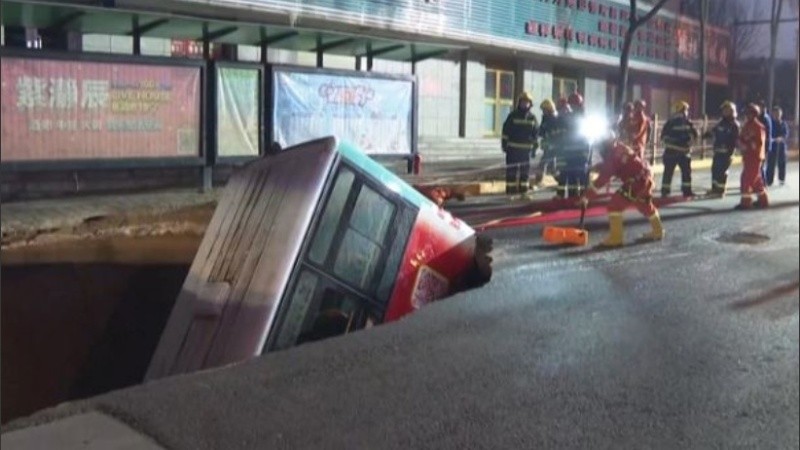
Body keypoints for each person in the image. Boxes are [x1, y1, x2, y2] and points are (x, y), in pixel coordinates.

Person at [581, 132, 664, 247]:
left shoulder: (613, 155)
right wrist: (597, 167)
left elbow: (602, 179)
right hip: (645, 179)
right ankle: (658, 231)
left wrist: (586, 196)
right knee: (644, 205)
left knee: (614, 206)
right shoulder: (620, 148)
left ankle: (616, 238)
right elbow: (614, 165)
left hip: (636, 183)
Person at [501, 91, 539, 197]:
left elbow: (536, 134)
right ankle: (511, 193)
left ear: (530, 104)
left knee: (524, 173)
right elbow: (505, 131)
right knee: (511, 172)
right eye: (523, 102)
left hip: (525, 151)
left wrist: (534, 149)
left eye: (527, 102)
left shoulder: (532, 118)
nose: (525, 104)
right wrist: (504, 144)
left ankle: (524, 192)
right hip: (513, 150)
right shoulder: (512, 116)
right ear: (519, 102)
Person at [659, 101, 698, 197]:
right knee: (684, 173)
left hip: (675, 152)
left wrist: (689, 144)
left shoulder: (671, 122)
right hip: (677, 152)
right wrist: (686, 144)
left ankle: (666, 191)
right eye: (685, 110)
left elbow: (694, 135)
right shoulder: (684, 122)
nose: (686, 112)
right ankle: (686, 191)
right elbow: (694, 136)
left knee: (671, 173)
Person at [736, 103, 769, 210]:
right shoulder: (747, 125)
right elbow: (741, 137)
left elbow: (759, 143)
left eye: (749, 113)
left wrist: (748, 145)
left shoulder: (759, 127)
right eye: (746, 113)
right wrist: (741, 143)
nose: (747, 115)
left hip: (755, 157)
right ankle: (763, 200)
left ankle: (746, 202)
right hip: (748, 156)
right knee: (757, 180)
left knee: (746, 179)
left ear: (755, 114)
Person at [702, 101, 740, 196]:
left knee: (722, 172)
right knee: (715, 170)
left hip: (727, 153)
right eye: (723, 110)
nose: (724, 112)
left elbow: (736, 139)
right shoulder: (721, 123)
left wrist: (730, 148)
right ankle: (714, 189)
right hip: (718, 151)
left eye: (726, 110)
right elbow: (714, 131)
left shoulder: (734, 125)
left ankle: (720, 190)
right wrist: (706, 135)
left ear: (731, 111)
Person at [533, 98, 559, 185]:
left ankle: (538, 181)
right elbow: (541, 131)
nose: (543, 112)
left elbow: (554, 133)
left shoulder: (554, 119)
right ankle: (561, 181)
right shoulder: (546, 118)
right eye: (543, 110)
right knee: (551, 166)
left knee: (543, 164)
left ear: (549, 109)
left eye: (544, 110)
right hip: (547, 146)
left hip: (553, 147)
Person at [766, 105, 790, 186]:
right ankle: (769, 180)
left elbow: (786, 134)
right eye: (775, 113)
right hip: (772, 146)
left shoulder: (783, 124)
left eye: (778, 114)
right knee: (770, 164)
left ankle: (781, 179)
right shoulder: (770, 123)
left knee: (782, 163)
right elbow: (768, 133)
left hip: (782, 147)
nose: (777, 115)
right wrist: (771, 139)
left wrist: (781, 138)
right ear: (772, 114)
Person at [756, 100, 773, 182]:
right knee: (758, 165)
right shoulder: (759, 117)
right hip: (761, 145)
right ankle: (759, 181)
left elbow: (766, 134)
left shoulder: (765, 118)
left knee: (761, 165)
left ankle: (762, 182)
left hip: (764, 145)